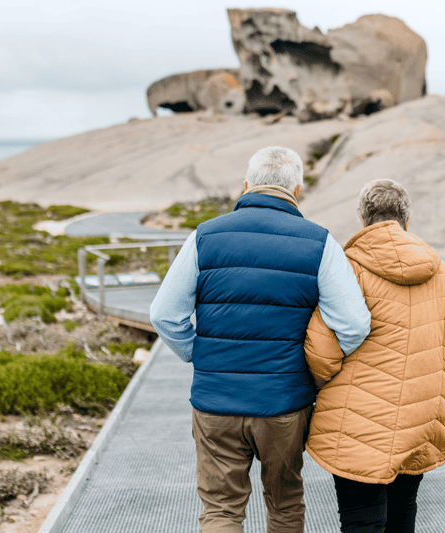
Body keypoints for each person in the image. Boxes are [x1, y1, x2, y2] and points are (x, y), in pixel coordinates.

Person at [149, 146, 371, 533]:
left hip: (215, 400)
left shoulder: (204, 236)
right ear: (297, 190)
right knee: (284, 503)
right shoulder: (319, 242)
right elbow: (353, 324)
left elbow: (164, 314)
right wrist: (316, 371)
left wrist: (198, 353)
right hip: (283, 402)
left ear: (246, 185)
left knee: (221, 509)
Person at [304, 179, 445, 533]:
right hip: (421, 420)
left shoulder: (345, 269)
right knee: (404, 511)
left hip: (356, 424)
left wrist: (324, 389)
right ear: (407, 218)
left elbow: (320, 354)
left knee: (362, 521)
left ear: (362, 218)